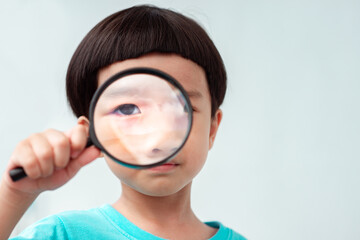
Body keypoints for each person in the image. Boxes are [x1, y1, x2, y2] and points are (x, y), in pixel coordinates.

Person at [0, 5, 246, 240]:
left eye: (182, 108)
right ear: (91, 133)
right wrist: (16, 195)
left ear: (212, 129)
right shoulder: (62, 234)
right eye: (128, 109)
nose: (159, 138)